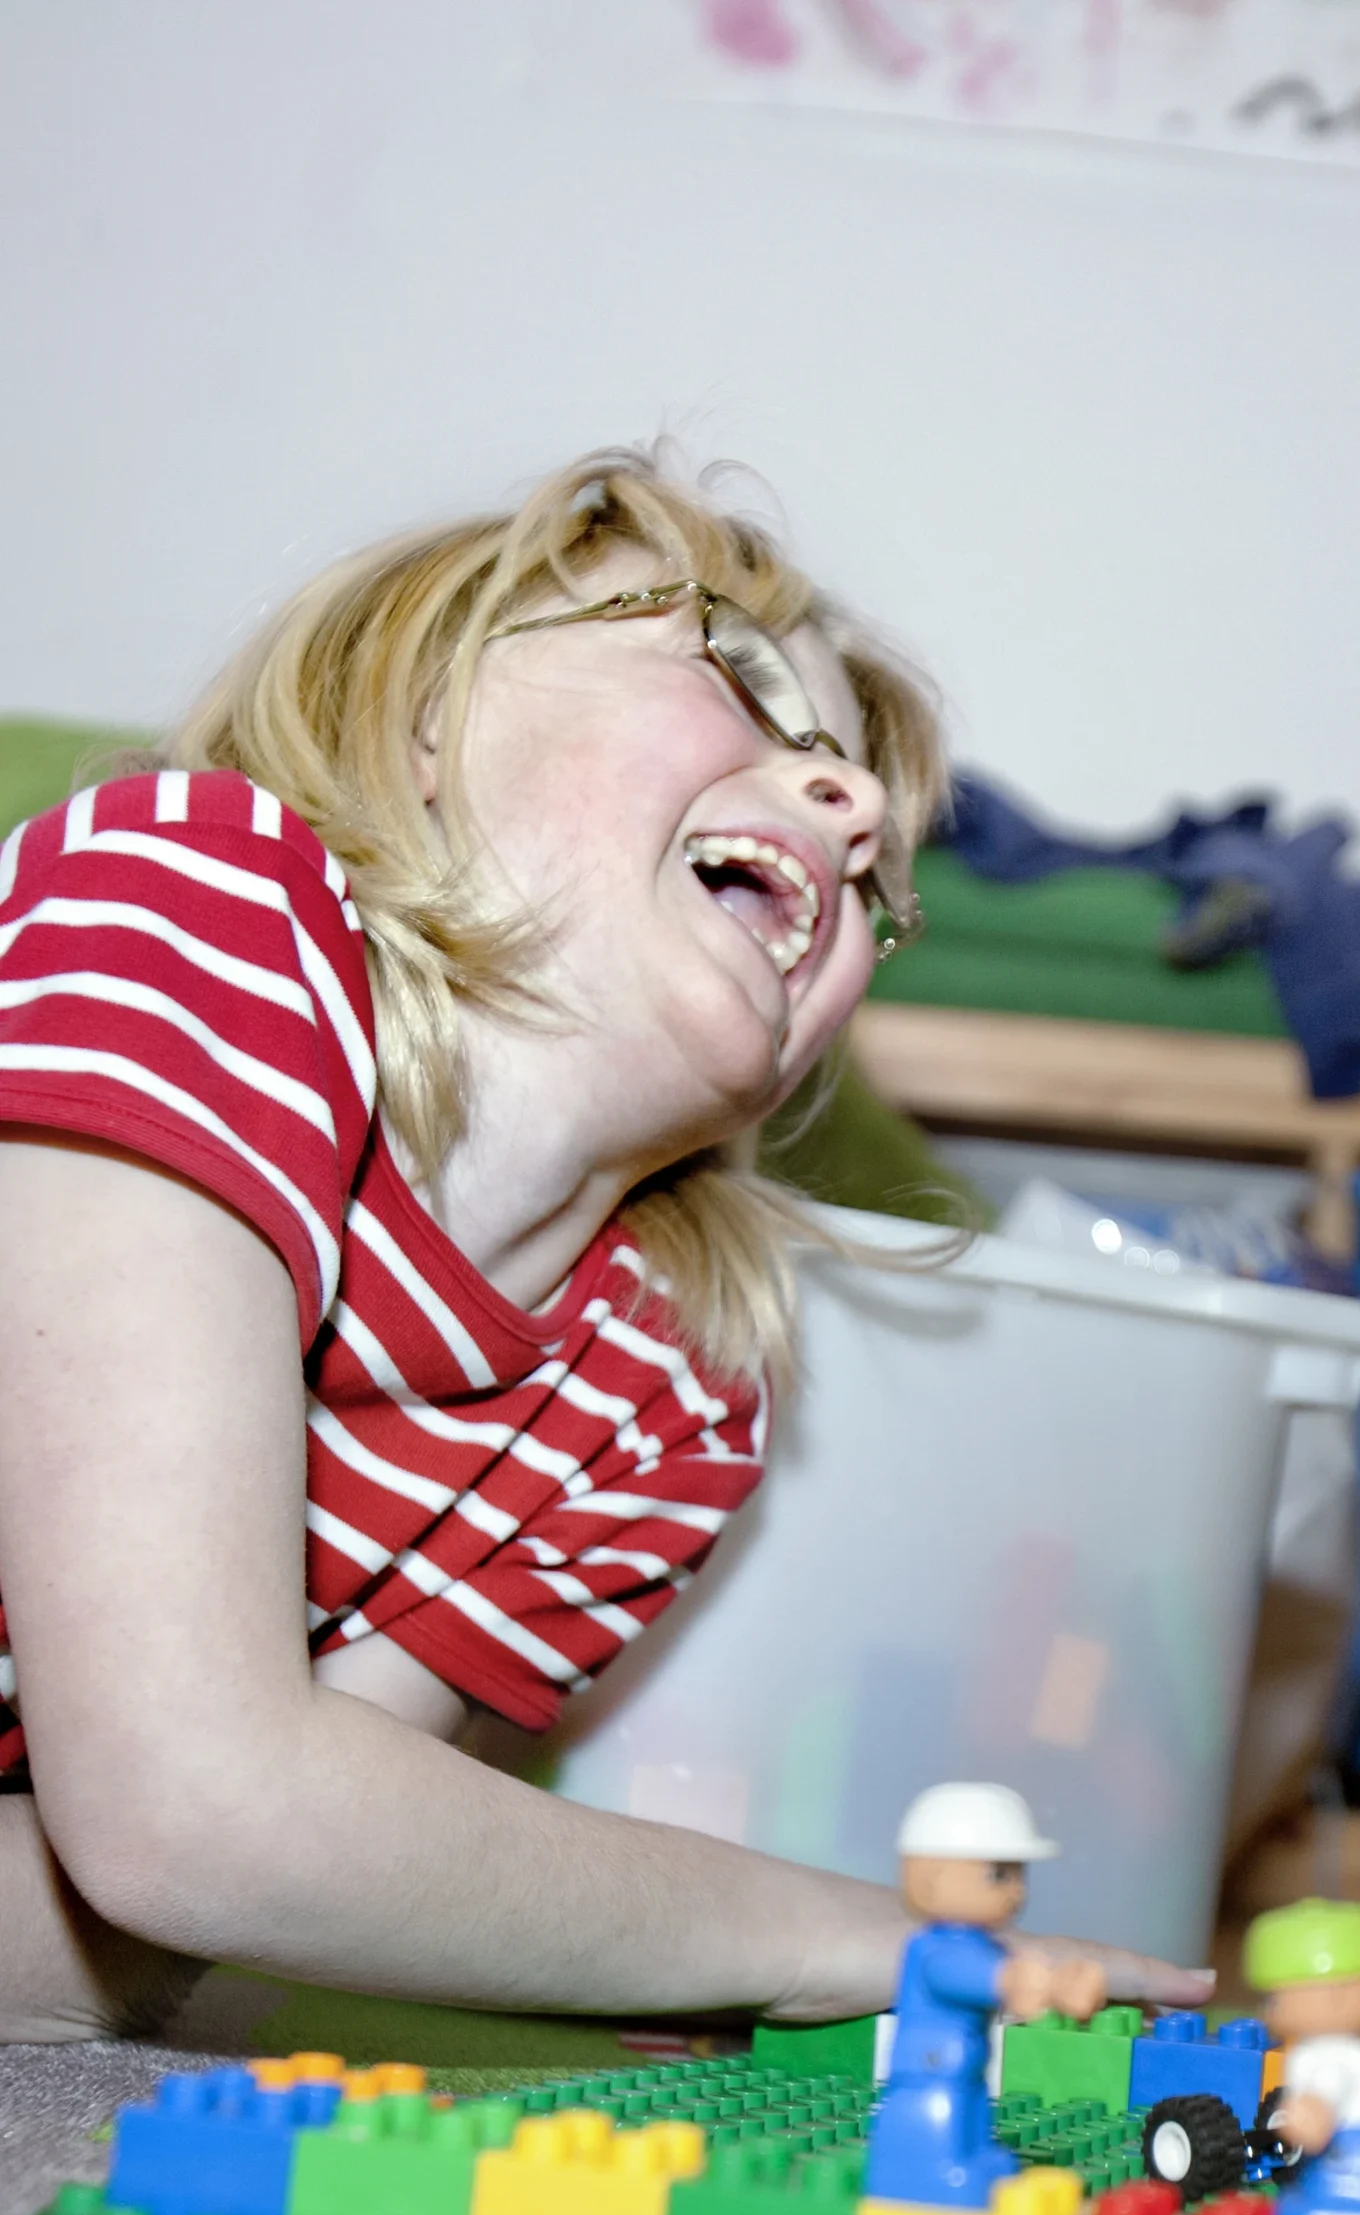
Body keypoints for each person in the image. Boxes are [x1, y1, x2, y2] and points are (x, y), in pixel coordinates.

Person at [0, 453, 1211, 2044]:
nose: (849, 818)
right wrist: (820, 1935)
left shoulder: (666, 1401)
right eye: (750, 682)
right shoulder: (186, 899)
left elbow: (161, 1921)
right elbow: (200, 1812)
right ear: (424, 716)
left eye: (879, 880)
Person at [866, 1781, 1107, 2210]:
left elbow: (1009, 1972)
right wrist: (1018, 1981)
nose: (1017, 1890)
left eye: (1019, 1875)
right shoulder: (934, 1951)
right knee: (940, 2124)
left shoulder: (986, 1947)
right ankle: (934, 2175)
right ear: (935, 1877)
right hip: (928, 2079)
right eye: (1000, 1874)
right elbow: (969, 1976)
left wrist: (1058, 1985)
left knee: (973, 2124)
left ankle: (967, 2163)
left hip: (966, 2075)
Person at [1245, 1897, 1360, 2215]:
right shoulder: (1313, 2050)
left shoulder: (1335, 2055)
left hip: (1348, 2153)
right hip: (1328, 2153)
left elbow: (1325, 2097)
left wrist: (1307, 2117)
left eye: (1275, 1997)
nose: (1268, 2008)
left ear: (1336, 1995)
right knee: (1299, 2201)